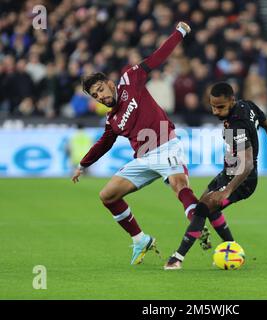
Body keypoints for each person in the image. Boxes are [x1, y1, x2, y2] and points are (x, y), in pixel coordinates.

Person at [71, 22, 210, 265]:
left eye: (101, 89)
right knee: (107, 195)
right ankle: (140, 239)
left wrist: (180, 32)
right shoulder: (111, 119)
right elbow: (104, 143)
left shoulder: (129, 79)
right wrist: (83, 164)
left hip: (166, 144)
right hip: (144, 158)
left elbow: (157, 58)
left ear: (110, 84)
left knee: (179, 186)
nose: (101, 96)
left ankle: (199, 226)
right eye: (95, 95)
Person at [164, 82, 267, 270]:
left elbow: (246, 164)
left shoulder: (235, 125)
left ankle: (177, 258)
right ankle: (233, 249)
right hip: (228, 173)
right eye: (213, 106)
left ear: (232, 101)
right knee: (206, 206)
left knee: (203, 208)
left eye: (220, 107)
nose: (215, 111)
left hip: (243, 180)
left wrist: (227, 191)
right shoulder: (248, 105)